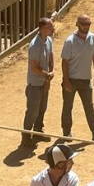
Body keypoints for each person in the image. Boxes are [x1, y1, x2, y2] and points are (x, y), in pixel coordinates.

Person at [61, 14, 94, 143]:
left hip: (86, 80)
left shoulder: (93, 38)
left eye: (88, 24)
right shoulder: (70, 41)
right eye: (84, 24)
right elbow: (64, 62)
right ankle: (66, 133)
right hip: (71, 80)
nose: (86, 27)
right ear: (77, 24)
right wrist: (66, 80)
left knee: (90, 107)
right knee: (67, 107)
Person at [21, 17, 54, 148]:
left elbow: (51, 56)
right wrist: (47, 75)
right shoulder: (34, 45)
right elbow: (34, 67)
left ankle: (38, 131)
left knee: (42, 108)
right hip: (35, 83)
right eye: (50, 27)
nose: (52, 28)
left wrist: (52, 71)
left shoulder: (49, 40)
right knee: (32, 111)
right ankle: (26, 136)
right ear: (42, 29)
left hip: (44, 81)